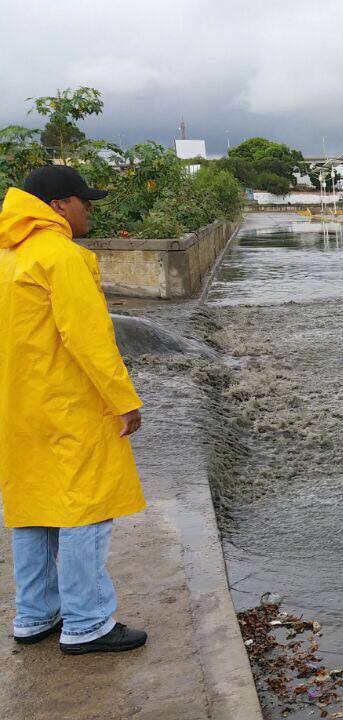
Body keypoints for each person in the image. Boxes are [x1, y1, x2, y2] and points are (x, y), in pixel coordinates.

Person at [0, 165, 148, 654]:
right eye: (85, 201)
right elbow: (88, 338)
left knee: (33, 511)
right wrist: (123, 400)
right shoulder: (62, 257)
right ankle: (87, 623)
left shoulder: (8, 256)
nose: (90, 210)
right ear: (60, 205)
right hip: (68, 405)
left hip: (19, 408)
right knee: (85, 508)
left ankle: (36, 614)